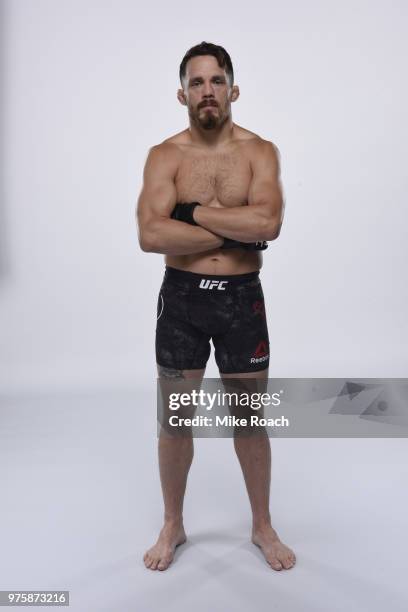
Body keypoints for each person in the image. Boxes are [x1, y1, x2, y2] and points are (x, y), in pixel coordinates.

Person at [136, 41, 296, 572]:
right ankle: (172, 523)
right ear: (183, 93)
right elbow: (150, 233)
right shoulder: (165, 156)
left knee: (249, 417)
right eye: (198, 82)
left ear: (233, 89)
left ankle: (262, 525)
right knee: (175, 419)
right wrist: (234, 230)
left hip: (240, 302)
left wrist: (193, 211)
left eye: (217, 81)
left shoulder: (259, 152)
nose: (208, 91)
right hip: (181, 301)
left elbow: (268, 224)